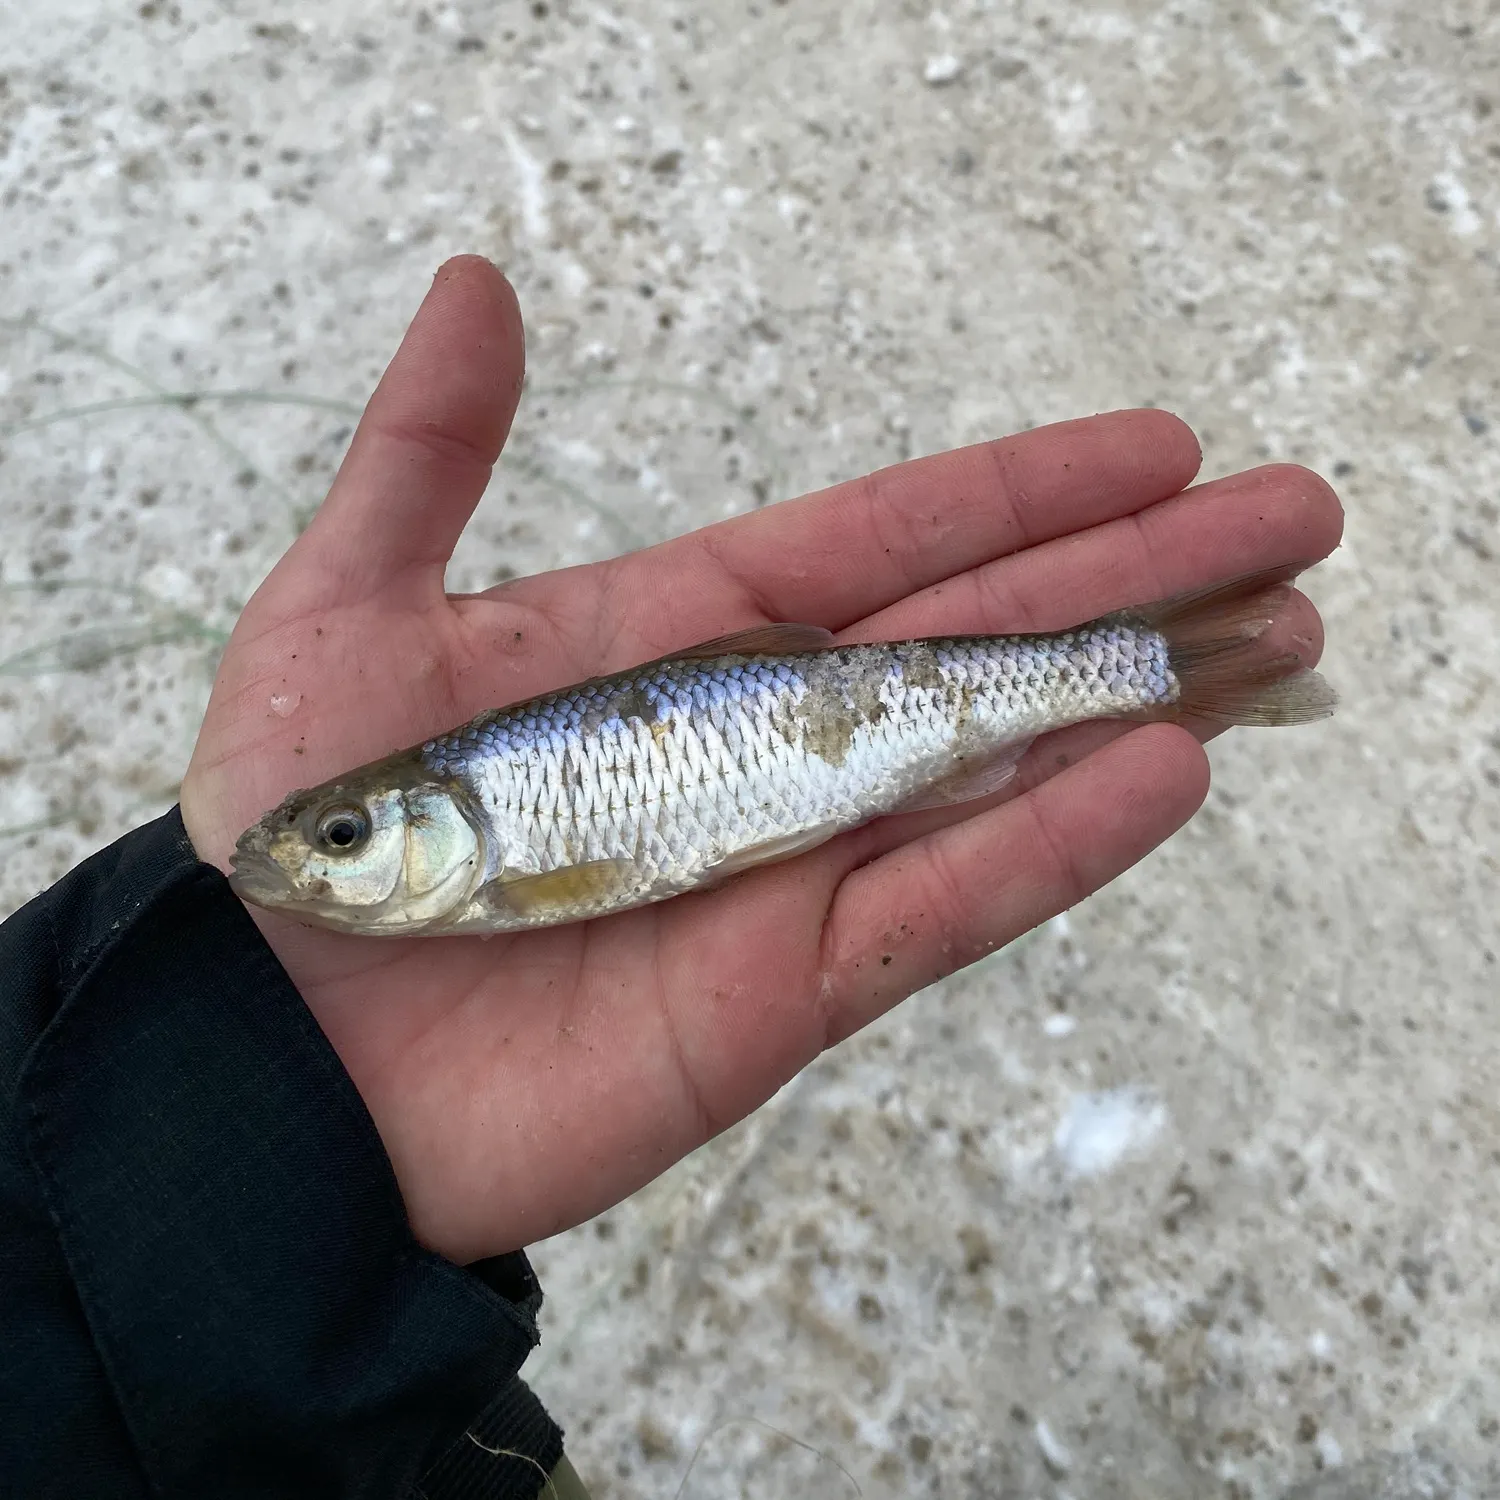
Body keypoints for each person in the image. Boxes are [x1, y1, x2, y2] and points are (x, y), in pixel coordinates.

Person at [0, 257, 1342, 1499]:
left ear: (420, 815)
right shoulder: (473, 882)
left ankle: (1146, 662)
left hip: (842, 732)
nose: (311, 864)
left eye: (345, 838)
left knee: (1054, 692)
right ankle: (1153, 663)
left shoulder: (508, 866)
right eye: (340, 844)